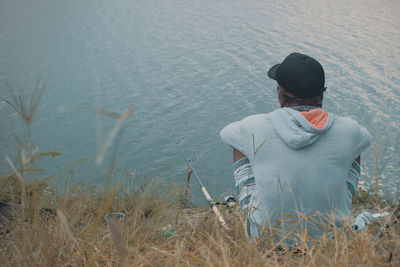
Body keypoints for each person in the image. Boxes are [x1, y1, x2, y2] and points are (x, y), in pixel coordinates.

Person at [220, 52, 373, 245]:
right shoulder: (350, 130)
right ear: (321, 95)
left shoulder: (254, 126)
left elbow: (226, 134)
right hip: (332, 241)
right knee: (354, 149)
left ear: (280, 93)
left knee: (240, 146)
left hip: (264, 240)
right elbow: (366, 139)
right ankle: (341, 208)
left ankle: (251, 214)